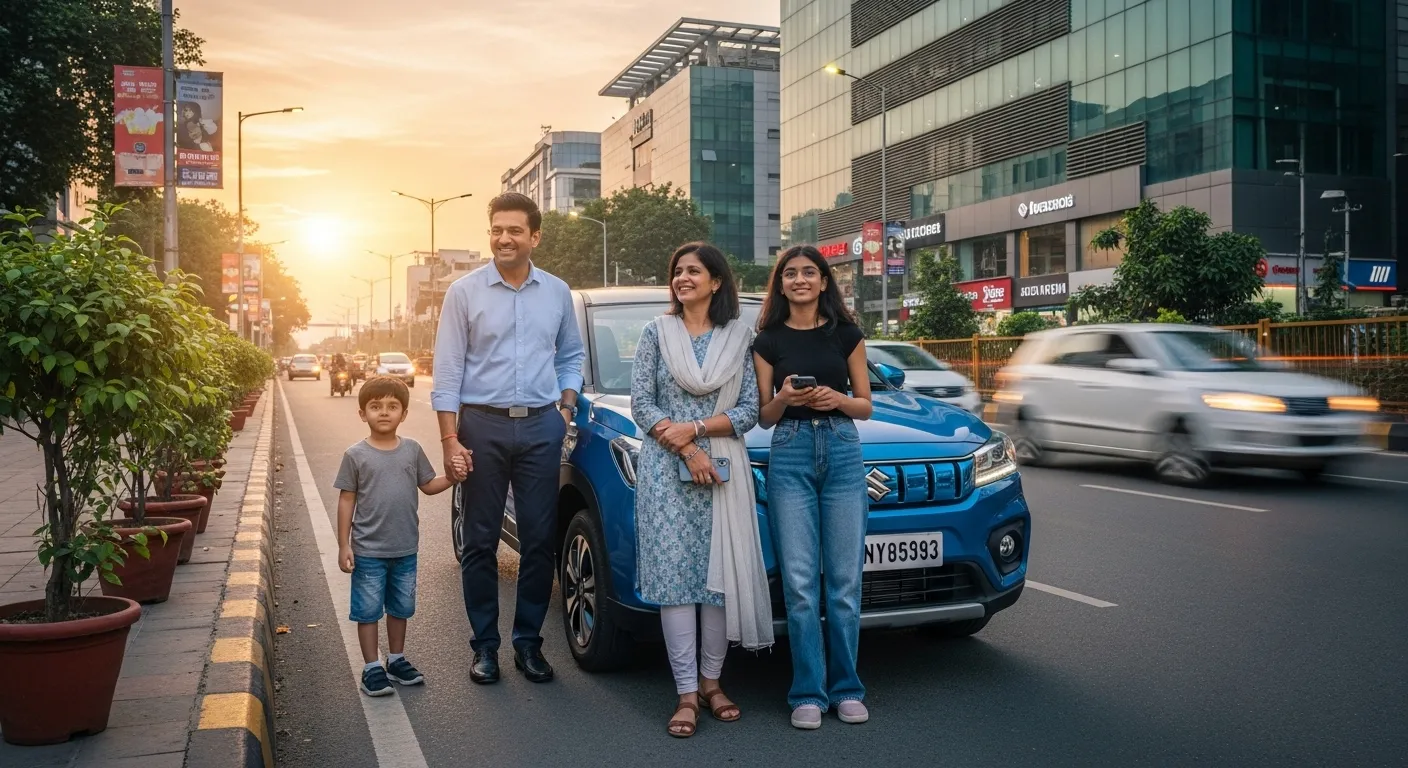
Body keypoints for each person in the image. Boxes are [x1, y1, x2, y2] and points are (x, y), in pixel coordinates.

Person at [432, 192, 585, 685]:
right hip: (482, 425)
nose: (503, 238)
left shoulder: (557, 292)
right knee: (479, 541)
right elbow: (448, 370)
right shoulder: (464, 292)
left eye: (514, 230)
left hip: (542, 425)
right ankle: (484, 647)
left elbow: (571, 355)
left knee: (540, 541)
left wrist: (564, 408)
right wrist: (450, 440)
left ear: (534, 237)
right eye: (497, 230)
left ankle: (528, 644)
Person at [630, 242, 772, 738]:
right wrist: (687, 448)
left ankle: (713, 685)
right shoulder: (656, 332)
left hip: (724, 470)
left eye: (694, 271)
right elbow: (642, 404)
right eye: (677, 271)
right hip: (667, 470)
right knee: (676, 581)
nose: (683, 278)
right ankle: (686, 693)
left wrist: (698, 431)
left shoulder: (739, 337)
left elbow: (750, 409)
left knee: (717, 581)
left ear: (716, 282)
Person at [752, 244, 874, 730]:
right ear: (780, 285)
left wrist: (837, 399)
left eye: (810, 273)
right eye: (790, 274)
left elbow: (865, 405)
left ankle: (847, 688)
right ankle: (807, 692)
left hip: (843, 450)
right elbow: (763, 417)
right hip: (791, 450)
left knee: (844, 583)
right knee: (801, 584)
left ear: (824, 282)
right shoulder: (767, 341)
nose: (800, 279)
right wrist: (784, 396)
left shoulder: (847, 334)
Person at [334, 377, 464, 697]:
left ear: (403, 414)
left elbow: (429, 484)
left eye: (392, 407)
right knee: (368, 611)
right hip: (368, 550)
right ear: (362, 413)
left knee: (400, 607)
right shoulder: (356, 455)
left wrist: (453, 477)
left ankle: (396, 658)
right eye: (376, 406)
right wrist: (343, 544)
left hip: (405, 548)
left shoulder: (412, 450)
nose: (384, 413)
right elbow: (346, 500)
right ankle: (371, 667)